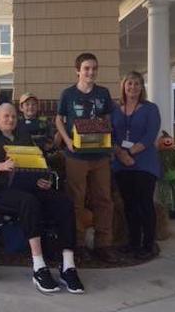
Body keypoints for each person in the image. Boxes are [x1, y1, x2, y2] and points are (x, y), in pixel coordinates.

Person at [0, 103, 84, 294]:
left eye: (14, 116)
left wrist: (43, 178)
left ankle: (68, 265)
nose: (11, 119)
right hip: (0, 189)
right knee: (29, 202)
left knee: (63, 203)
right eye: (6, 116)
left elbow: (38, 162)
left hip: (29, 185)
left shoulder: (24, 136)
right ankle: (39, 266)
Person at [55, 53, 116, 263]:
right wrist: (67, 140)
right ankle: (78, 244)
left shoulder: (103, 93)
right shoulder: (68, 94)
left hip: (100, 155)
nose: (91, 72)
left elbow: (108, 117)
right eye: (86, 68)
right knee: (76, 200)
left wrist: (107, 136)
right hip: (76, 156)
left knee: (103, 199)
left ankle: (103, 245)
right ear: (78, 70)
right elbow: (59, 119)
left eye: (94, 68)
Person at [111, 72, 161, 260]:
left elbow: (150, 135)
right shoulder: (116, 110)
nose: (133, 87)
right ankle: (133, 243)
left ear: (142, 87)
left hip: (144, 162)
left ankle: (148, 244)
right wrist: (121, 154)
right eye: (129, 83)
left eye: (137, 84)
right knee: (129, 205)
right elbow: (111, 135)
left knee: (144, 203)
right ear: (123, 86)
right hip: (121, 164)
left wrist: (130, 153)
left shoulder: (150, 109)